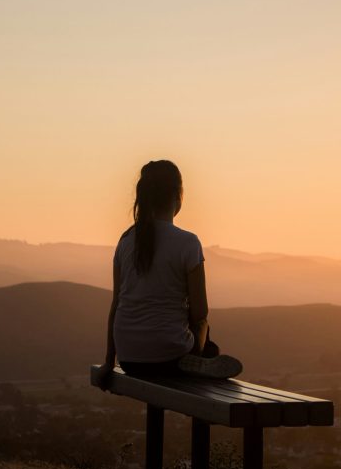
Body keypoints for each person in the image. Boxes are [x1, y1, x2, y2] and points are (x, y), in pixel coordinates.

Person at [94, 160, 242, 385]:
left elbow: (116, 305)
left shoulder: (125, 241)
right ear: (178, 196)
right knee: (207, 334)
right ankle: (198, 360)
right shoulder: (188, 243)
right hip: (171, 357)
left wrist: (108, 361)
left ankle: (197, 358)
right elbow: (200, 312)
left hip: (129, 359)